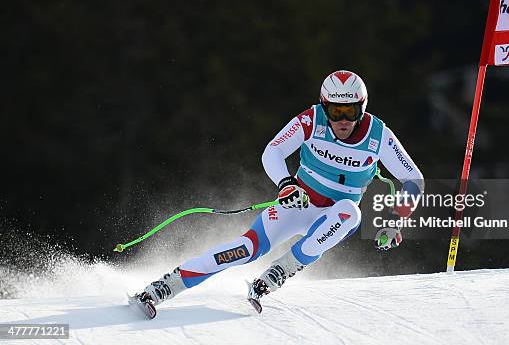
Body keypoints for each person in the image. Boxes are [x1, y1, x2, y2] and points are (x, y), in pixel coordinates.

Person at [136, 70, 424, 309]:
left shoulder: (379, 135)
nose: (343, 121)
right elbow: (272, 151)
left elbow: (413, 180)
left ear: (362, 107)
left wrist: (395, 220)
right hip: (297, 204)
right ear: (325, 107)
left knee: (350, 213)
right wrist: (286, 185)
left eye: (351, 111)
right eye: (336, 111)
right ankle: (168, 285)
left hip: (335, 216)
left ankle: (284, 268)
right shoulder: (312, 120)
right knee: (246, 248)